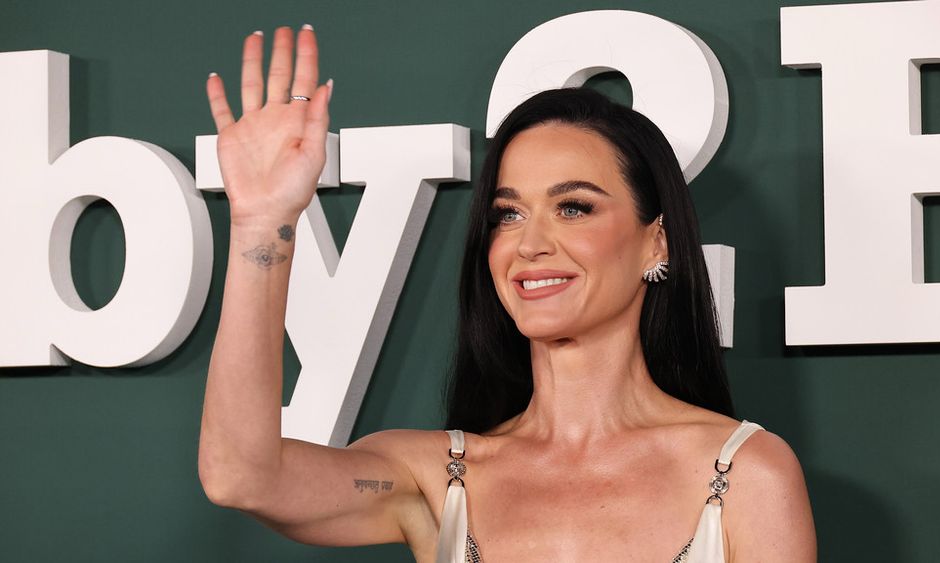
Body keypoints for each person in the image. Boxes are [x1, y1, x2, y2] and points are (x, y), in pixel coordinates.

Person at [198, 25, 817, 563]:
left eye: (573, 207)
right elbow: (241, 477)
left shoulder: (746, 473)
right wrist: (261, 222)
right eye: (508, 214)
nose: (530, 244)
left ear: (656, 243)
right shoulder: (432, 479)